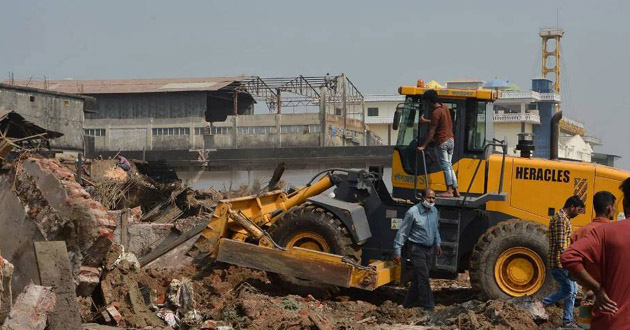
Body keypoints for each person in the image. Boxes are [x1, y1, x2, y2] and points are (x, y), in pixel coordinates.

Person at [561, 215, 630, 329]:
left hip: (610, 315)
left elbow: (568, 256)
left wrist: (596, 288)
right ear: (610, 209)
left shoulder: (604, 231)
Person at [393, 188, 442, 310]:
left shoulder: (434, 211)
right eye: (429, 197)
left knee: (417, 278)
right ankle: (429, 306)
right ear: (422, 198)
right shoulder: (412, 212)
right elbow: (403, 232)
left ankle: (407, 304)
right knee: (424, 277)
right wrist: (397, 250)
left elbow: (435, 229)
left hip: (429, 249)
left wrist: (437, 243)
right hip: (416, 248)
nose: (431, 200)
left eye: (433, 198)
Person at [542, 195, 585, 328]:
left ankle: (568, 320)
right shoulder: (561, 219)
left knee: (572, 290)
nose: (578, 213)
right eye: (578, 210)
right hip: (560, 263)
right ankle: (543, 303)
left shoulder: (563, 218)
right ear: (572, 207)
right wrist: (572, 261)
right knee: (568, 290)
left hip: (562, 261)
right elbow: (562, 245)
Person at [416, 90, 459, 197]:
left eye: (426, 102)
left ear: (430, 101)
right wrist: (426, 121)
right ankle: (456, 190)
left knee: (445, 166)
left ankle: (448, 190)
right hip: (451, 140)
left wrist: (423, 146)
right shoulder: (444, 107)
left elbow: (432, 131)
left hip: (442, 141)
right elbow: (439, 121)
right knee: (449, 166)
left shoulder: (435, 112)